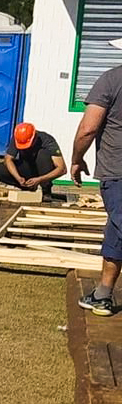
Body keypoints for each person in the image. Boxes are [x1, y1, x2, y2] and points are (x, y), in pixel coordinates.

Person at [73, 39, 122, 317]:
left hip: (118, 173)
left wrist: (77, 159)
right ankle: (102, 295)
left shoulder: (111, 80)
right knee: (116, 231)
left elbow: (87, 130)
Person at [0, 122, 66, 196]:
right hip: (27, 167)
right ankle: (27, 187)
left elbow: (62, 169)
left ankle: (45, 191)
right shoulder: (18, 138)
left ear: (34, 137)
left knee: (43, 154)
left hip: (42, 171)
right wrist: (18, 178)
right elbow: (8, 159)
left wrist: (40, 179)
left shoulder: (47, 140)